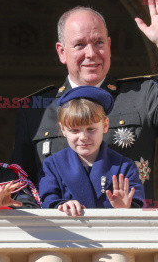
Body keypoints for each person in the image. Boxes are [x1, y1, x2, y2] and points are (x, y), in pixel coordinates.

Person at [12, 0, 158, 199]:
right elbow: (19, 183)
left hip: (127, 228)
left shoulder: (142, 95)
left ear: (109, 46)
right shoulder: (36, 109)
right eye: (79, 45)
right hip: (61, 229)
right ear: (62, 52)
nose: (91, 53)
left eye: (98, 43)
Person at [39, 86, 145, 216]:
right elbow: (48, 200)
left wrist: (126, 207)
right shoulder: (52, 165)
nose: (83, 137)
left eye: (91, 129)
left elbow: (138, 205)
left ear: (105, 125)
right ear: (63, 129)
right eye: (74, 130)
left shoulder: (125, 167)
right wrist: (61, 205)